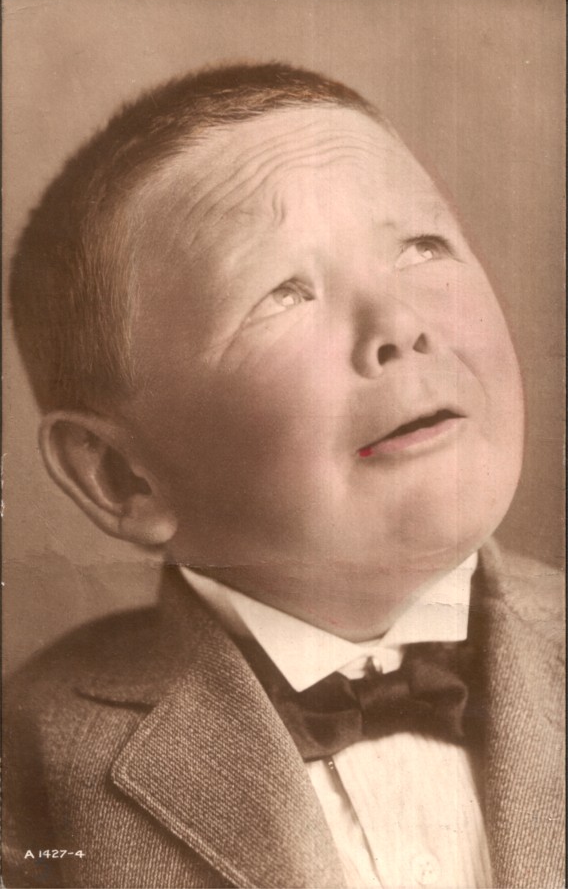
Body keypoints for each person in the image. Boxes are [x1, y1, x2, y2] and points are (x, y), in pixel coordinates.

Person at [3, 63, 564, 889]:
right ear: (121, 476)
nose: (400, 325)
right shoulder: (28, 770)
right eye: (283, 293)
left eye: (422, 247)